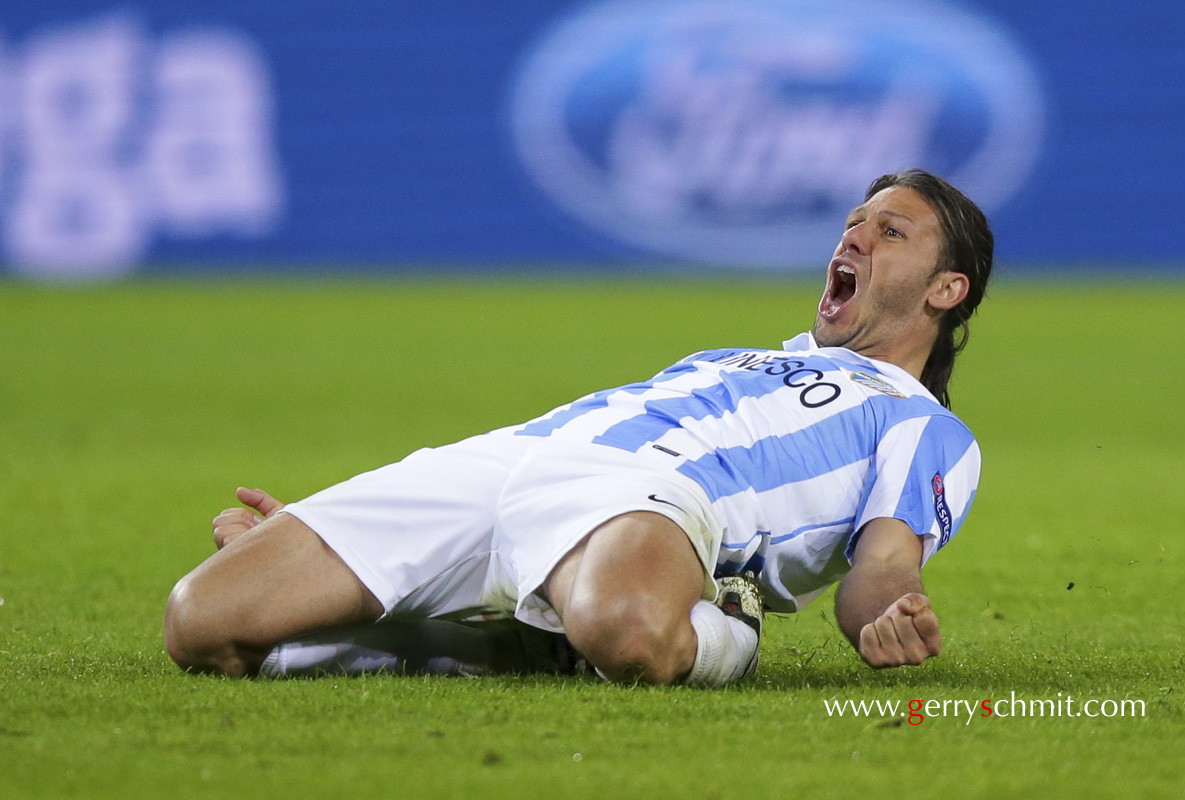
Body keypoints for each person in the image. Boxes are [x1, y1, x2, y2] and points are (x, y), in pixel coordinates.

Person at [163, 168, 993, 687]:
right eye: (855, 221)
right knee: (202, 623)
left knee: (629, 633)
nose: (856, 234)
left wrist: (889, 613)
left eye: (891, 231)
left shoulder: (920, 425)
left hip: (659, 497)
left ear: (946, 290)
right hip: (511, 456)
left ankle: (723, 630)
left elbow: (885, 562)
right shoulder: (734, 357)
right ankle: (491, 638)